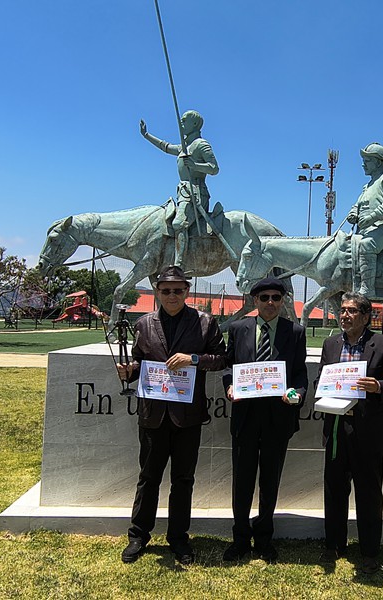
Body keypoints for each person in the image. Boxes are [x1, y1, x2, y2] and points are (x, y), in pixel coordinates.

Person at [117, 265, 226, 566]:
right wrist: (129, 372)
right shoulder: (144, 323)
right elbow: (140, 362)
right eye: (166, 290)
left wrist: (193, 359)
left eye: (178, 290)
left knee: (183, 479)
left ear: (187, 291)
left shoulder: (205, 322)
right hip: (153, 414)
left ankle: (178, 537)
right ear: (157, 292)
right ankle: (138, 535)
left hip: (187, 416)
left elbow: (222, 359)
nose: (172, 295)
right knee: (148, 477)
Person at [317, 291, 383, 574]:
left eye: (352, 311)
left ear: (366, 317)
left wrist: (377, 386)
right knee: (334, 488)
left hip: (368, 430)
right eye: (343, 310)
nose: (345, 315)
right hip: (336, 427)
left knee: (368, 493)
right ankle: (334, 544)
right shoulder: (331, 344)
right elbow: (321, 378)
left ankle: (369, 551)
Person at [221, 277, 308, 563]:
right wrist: (230, 387)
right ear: (255, 300)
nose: (270, 302)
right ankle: (240, 538)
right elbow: (228, 367)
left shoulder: (295, 332)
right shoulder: (238, 329)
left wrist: (297, 394)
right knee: (242, 481)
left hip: (277, 417)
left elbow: (299, 374)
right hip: (245, 417)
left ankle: (264, 538)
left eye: (276, 298)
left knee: (270, 481)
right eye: (264, 297)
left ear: (283, 301)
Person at [139, 110, 219, 268]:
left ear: (194, 124)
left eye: (184, 121)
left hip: (196, 192)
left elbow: (214, 168)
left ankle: (178, 265)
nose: (181, 124)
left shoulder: (201, 144)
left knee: (179, 224)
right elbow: (165, 147)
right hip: (183, 192)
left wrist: (195, 165)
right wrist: (146, 135)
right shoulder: (185, 147)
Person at [346, 142, 383, 298]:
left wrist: (372, 217)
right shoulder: (367, 186)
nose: (363, 164)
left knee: (367, 245)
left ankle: (367, 288)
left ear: (379, 162)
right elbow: (358, 204)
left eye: (367, 161)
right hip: (365, 228)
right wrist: (353, 213)